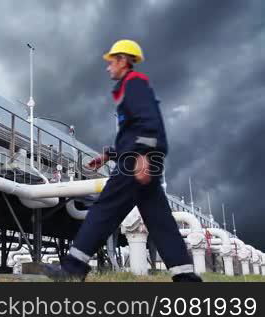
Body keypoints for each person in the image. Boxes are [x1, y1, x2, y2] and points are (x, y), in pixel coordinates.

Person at [42, 40, 202, 282]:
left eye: (111, 62)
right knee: (161, 222)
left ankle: (73, 268)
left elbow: (149, 122)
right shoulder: (131, 87)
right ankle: (186, 278)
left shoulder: (134, 84)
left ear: (123, 60)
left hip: (136, 160)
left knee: (104, 209)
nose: (108, 67)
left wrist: (142, 156)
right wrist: (108, 154)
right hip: (141, 157)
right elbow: (134, 130)